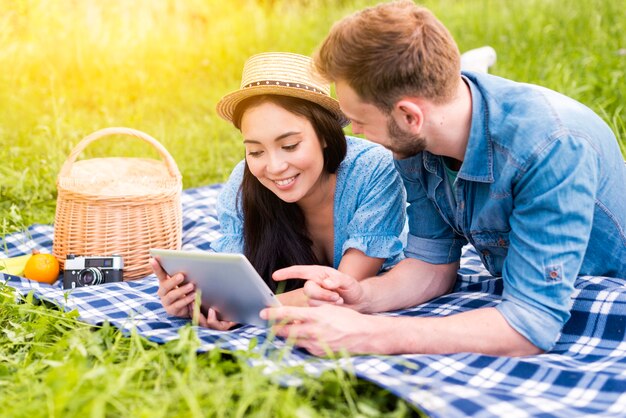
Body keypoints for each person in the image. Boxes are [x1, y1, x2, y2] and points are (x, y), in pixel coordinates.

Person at [260, 1, 626, 356]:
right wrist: (361, 296)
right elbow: (431, 265)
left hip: (594, 287)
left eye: (361, 119)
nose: (354, 131)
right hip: (520, 284)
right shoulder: (416, 141)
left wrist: (377, 334)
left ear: (409, 116)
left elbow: (530, 325)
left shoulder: (549, 148)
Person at [151, 52, 407, 329]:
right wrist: (194, 300)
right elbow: (236, 280)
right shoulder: (242, 184)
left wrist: (239, 308)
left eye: (290, 146)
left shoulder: (374, 169)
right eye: (256, 151)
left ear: (324, 135)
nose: (274, 167)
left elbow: (342, 290)